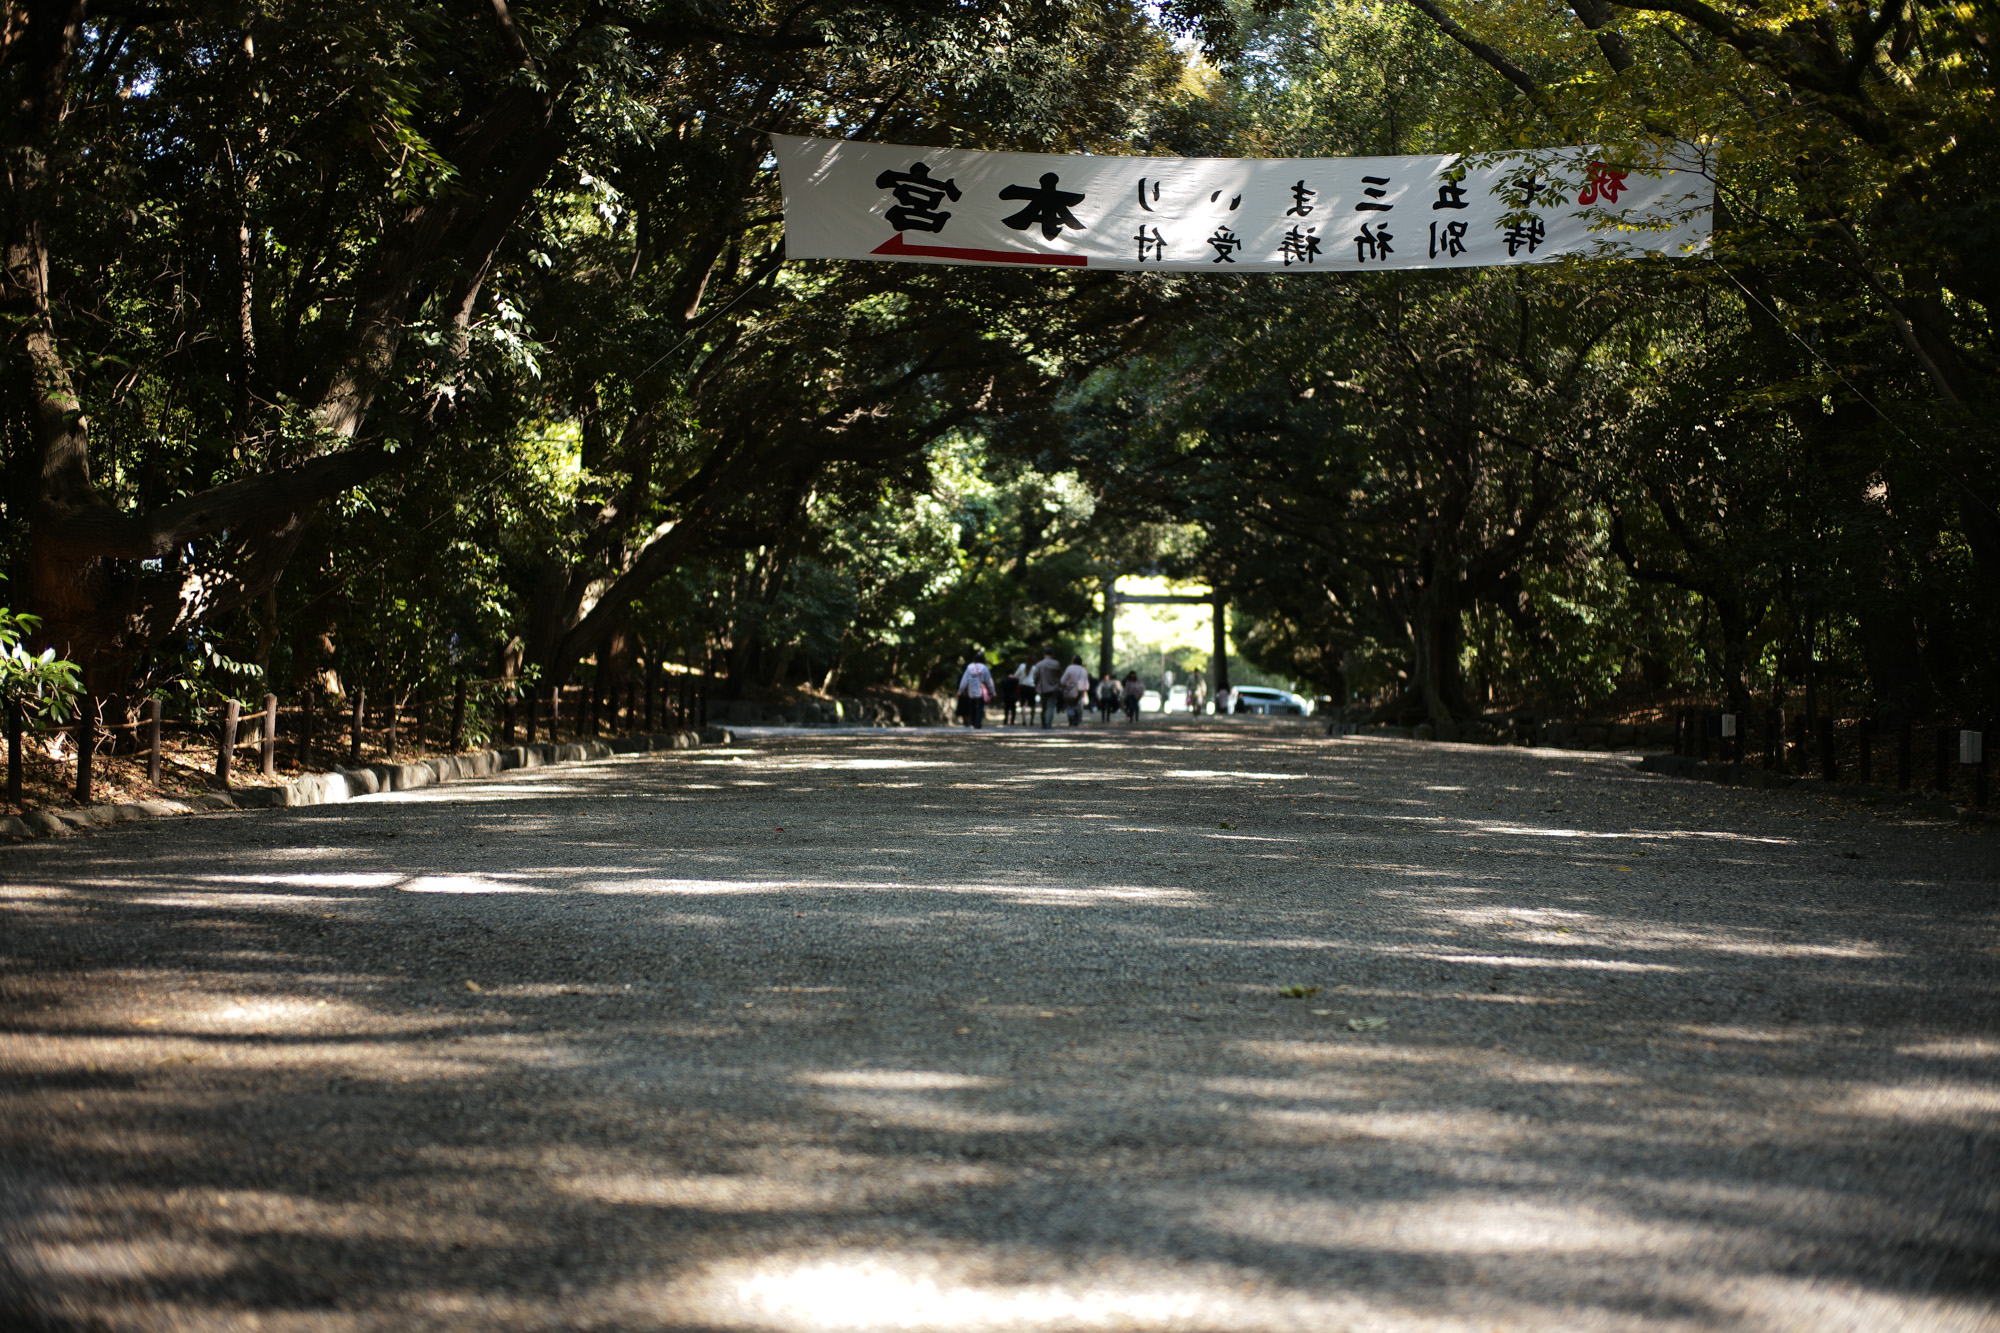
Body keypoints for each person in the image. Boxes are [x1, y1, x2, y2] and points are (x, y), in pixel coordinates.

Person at [957, 650, 995, 729]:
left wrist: (960, 690)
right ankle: (977, 723)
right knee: (979, 707)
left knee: (972, 707)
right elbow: (989, 680)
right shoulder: (984, 668)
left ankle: (973, 722)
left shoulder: (970, 667)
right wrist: (992, 691)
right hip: (980, 691)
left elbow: (964, 679)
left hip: (970, 691)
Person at [1030, 648, 1064, 728]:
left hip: (1043, 688)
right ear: (1053, 654)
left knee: (1043, 707)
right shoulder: (1056, 664)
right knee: (1051, 706)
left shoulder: (1039, 664)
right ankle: (1048, 723)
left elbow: (1035, 676)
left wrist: (1036, 684)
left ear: (1044, 654)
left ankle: (1043, 723)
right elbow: (1060, 675)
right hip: (1054, 688)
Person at [1059, 654, 1091, 726]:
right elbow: (1086, 681)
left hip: (1070, 690)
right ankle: (1077, 720)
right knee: (1078, 705)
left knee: (1070, 705)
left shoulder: (1069, 668)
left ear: (1073, 661)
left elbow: (1063, 681)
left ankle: (1071, 718)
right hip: (1080, 690)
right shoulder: (1083, 670)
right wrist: (1086, 689)